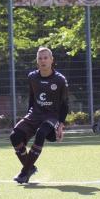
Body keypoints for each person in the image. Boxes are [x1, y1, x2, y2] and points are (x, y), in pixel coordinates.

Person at [10, 46, 69, 184]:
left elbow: (65, 104)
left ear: (51, 60)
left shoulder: (60, 80)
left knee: (42, 133)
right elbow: (32, 98)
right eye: (40, 58)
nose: (43, 61)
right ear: (37, 61)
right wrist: (28, 120)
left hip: (51, 116)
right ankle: (29, 168)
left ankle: (24, 172)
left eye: (46, 58)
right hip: (34, 114)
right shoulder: (32, 77)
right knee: (15, 136)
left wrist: (61, 124)